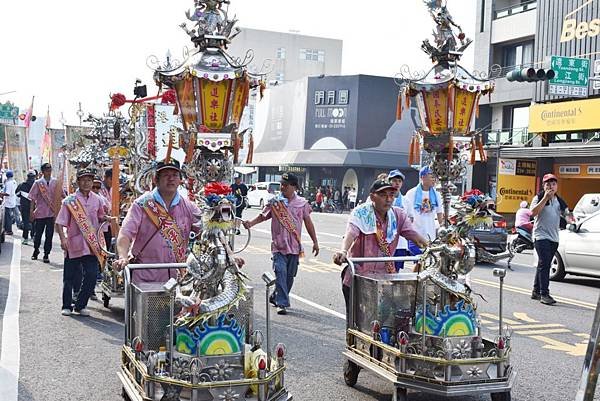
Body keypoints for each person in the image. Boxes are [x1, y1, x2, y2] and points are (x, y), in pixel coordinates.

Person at [333, 179, 428, 314]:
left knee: (387, 322)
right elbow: (351, 233)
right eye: (383, 195)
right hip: (359, 278)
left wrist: (431, 248)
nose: (388, 199)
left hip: (385, 279)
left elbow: (413, 235)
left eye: (391, 195)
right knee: (358, 323)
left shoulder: (398, 215)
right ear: (372, 197)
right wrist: (343, 251)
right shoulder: (361, 213)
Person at [113, 159, 201, 283]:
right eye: (166, 175)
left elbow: (203, 234)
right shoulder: (142, 204)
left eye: (175, 175)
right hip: (145, 274)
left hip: (177, 278)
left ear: (180, 180)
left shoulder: (189, 207)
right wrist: (122, 257)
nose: (171, 179)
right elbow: (125, 234)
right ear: (156, 179)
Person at [243, 172, 319, 315]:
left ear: (294, 187)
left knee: (289, 277)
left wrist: (315, 242)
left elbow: (308, 223)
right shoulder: (275, 202)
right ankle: (282, 303)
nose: (282, 187)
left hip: (294, 248)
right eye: (282, 184)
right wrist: (250, 224)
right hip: (278, 246)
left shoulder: (302, 204)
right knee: (281, 272)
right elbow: (262, 216)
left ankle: (275, 296)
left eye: (286, 185)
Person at [55, 169, 109, 316]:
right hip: (74, 243)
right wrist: (63, 239)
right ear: (78, 182)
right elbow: (60, 222)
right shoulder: (69, 201)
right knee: (69, 277)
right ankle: (66, 305)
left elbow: (100, 216)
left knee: (92, 275)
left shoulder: (98, 199)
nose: (87, 183)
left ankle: (80, 304)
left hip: (91, 245)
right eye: (83, 180)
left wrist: (106, 218)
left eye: (89, 180)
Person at [530, 174, 572, 305]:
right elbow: (533, 213)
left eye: (553, 184)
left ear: (557, 186)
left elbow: (567, 214)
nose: (551, 186)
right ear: (543, 186)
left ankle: (536, 291)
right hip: (540, 236)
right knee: (545, 263)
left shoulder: (560, 201)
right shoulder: (538, 198)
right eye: (548, 184)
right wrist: (545, 199)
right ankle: (544, 294)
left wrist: (571, 220)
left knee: (543, 264)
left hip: (554, 237)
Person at [405, 166, 444, 251]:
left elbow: (440, 214)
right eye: (431, 176)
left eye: (435, 177)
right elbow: (406, 215)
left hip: (430, 236)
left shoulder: (437, 195)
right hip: (415, 235)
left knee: (428, 262)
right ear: (422, 177)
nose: (434, 179)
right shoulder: (411, 193)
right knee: (418, 260)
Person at [29, 163, 60, 263]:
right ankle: (36, 250)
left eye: (50, 169)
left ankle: (46, 254)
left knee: (49, 235)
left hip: (51, 213)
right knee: (38, 234)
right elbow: (32, 198)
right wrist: (31, 212)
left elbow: (62, 195)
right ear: (43, 171)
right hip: (40, 213)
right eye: (46, 170)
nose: (49, 172)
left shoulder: (55, 182)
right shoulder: (38, 183)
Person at [388, 169, 414, 271]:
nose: (397, 183)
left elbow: (411, 218)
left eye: (399, 181)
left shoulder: (406, 201)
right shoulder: (384, 198)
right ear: (389, 182)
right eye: (394, 181)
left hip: (400, 242)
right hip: (386, 241)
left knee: (396, 271)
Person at [16, 171, 37, 245]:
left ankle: (25, 238)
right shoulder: (37, 185)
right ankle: (33, 236)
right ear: (34, 177)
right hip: (35, 206)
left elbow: (17, 194)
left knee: (25, 222)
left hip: (24, 207)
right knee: (34, 222)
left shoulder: (22, 185)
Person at [0, 170, 17, 235]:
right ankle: (8, 229)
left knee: (8, 217)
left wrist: (1, 194)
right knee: (10, 216)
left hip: (8, 202)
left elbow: (7, 193)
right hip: (12, 201)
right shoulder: (14, 181)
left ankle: (9, 230)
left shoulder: (9, 183)